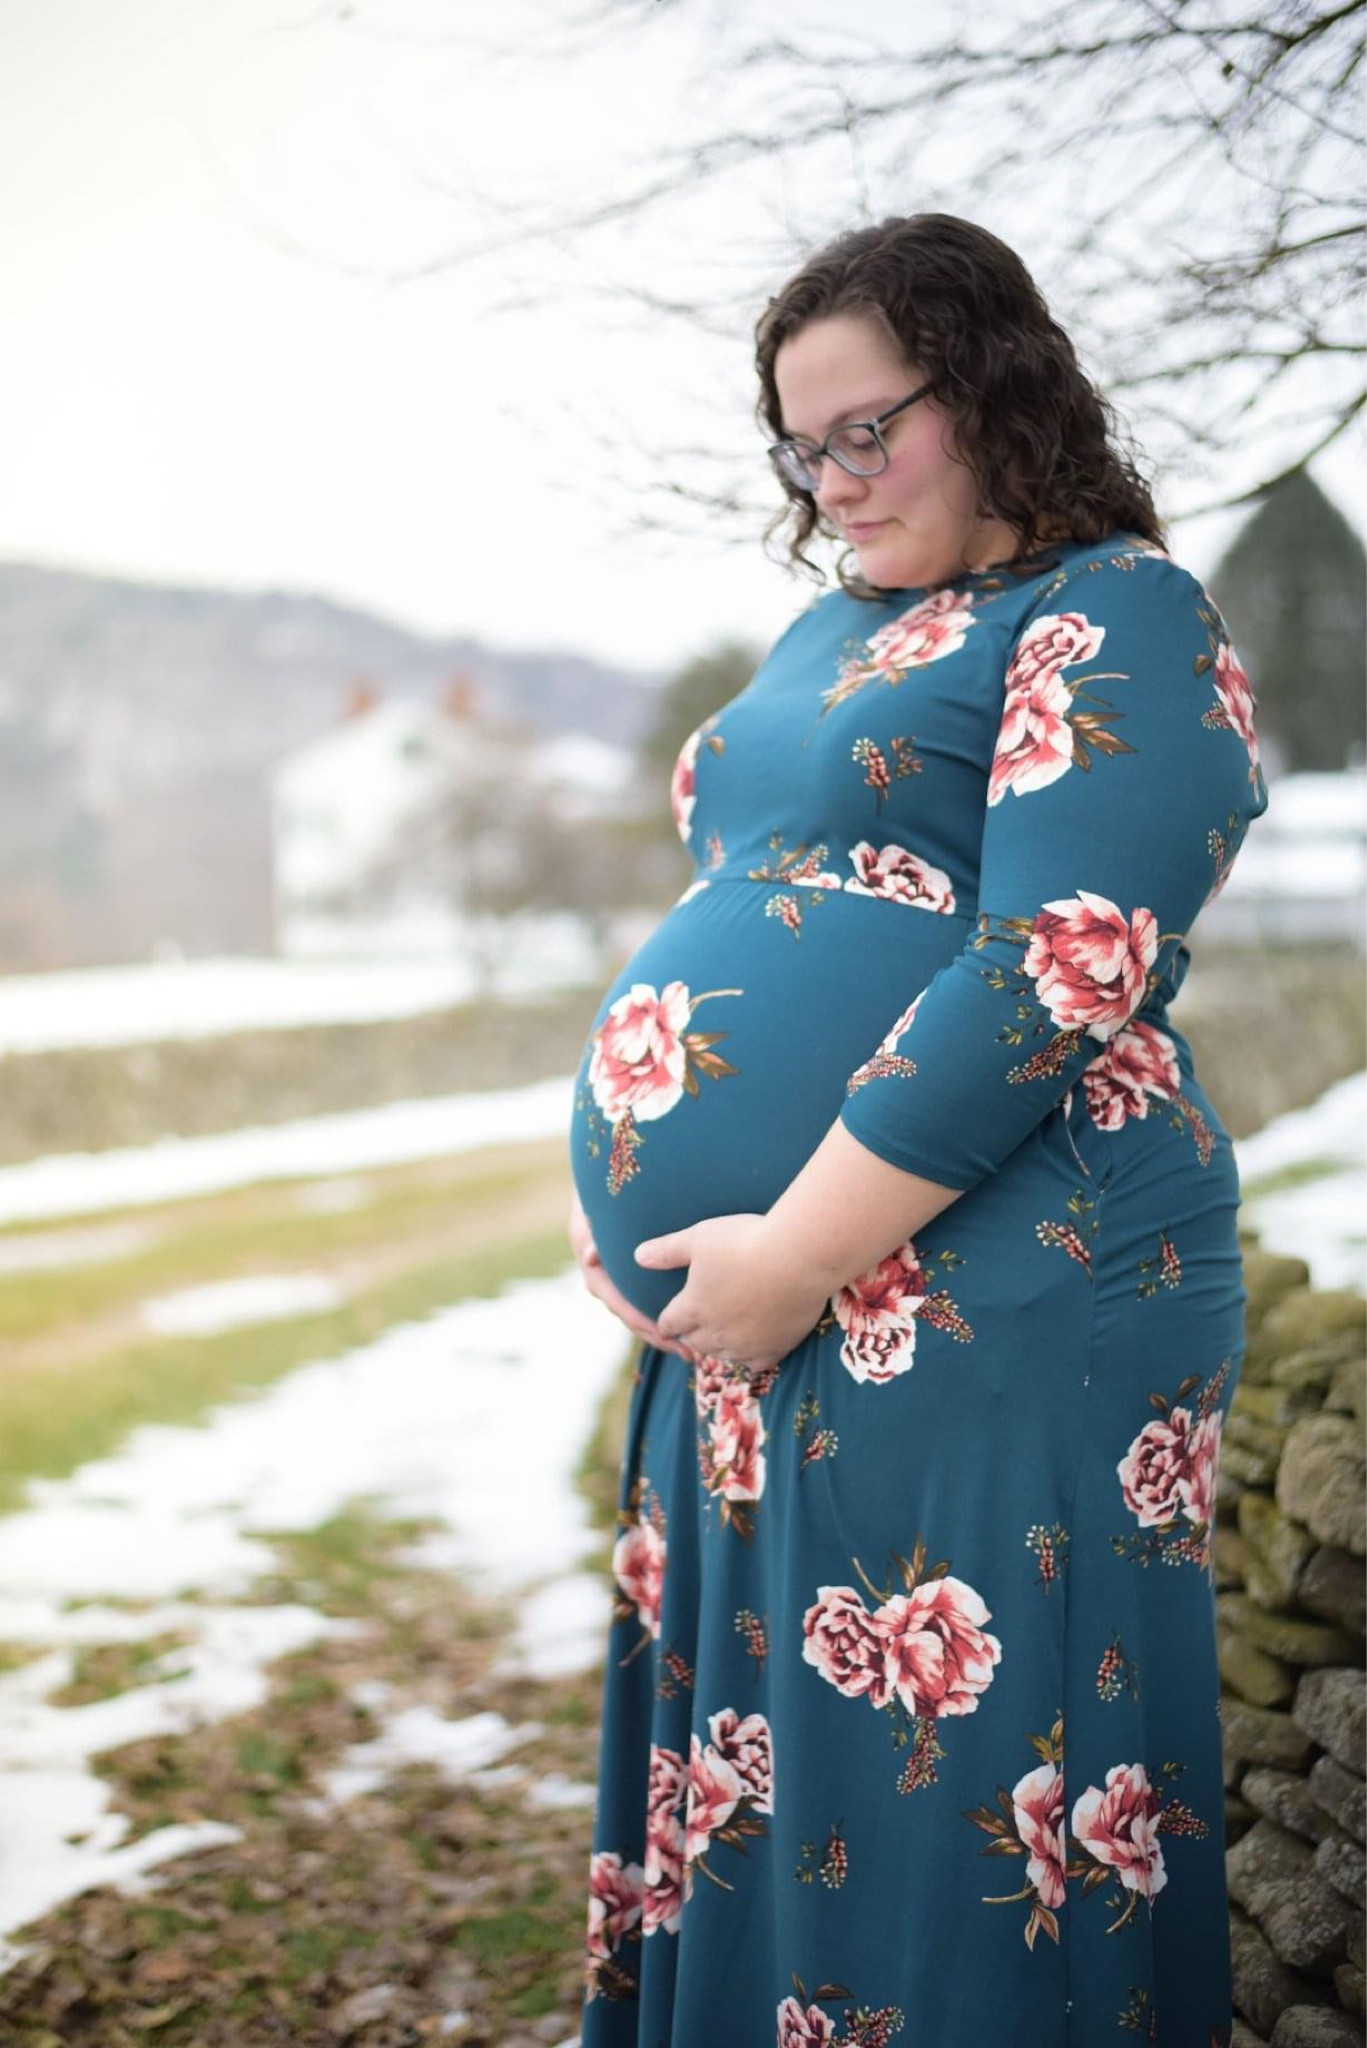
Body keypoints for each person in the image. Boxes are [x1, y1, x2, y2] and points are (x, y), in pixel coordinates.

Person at [566, 212, 1265, 2047]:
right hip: (764, 1319)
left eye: (870, 428)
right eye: (803, 447)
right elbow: (755, 905)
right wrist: (627, 1185)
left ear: (1001, 390)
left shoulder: (1116, 609)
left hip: (1003, 1281)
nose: (835, 480)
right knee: (777, 1803)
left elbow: (1061, 956)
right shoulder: (835, 627)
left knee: (950, 1820)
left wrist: (798, 1242)